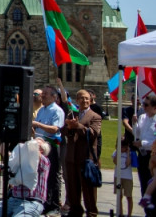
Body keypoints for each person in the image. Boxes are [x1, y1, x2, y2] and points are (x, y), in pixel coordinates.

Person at [0, 138, 51, 217]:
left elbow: (34, 154)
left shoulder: (45, 161)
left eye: (35, 145)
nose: (28, 145)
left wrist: (28, 140)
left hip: (32, 202)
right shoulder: (22, 159)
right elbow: (10, 155)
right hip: (12, 200)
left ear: (42, 150)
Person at [61, 89, 102, 217]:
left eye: (86, 98)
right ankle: (75, 211)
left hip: (86, 158)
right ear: (77, 100)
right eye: (81, 98)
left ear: (90, 100)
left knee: (88, 190)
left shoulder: (95, 116)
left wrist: (77, 126)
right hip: (71, 157)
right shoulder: (72, 114)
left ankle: (92, 213)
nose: (84, 100)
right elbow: (63, 132)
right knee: (72, 188)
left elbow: (93, 133)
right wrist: (69, 127)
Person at [31, 84, 65, 215]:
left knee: (53, 176)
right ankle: (44, 201)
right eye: (42, 94)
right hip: (39, 146)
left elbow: (55, 129)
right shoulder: (41, 110)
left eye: (45, 94)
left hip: (51, 146)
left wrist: (38, 124)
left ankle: (54, 205)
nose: (42, 96)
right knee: (42, 175)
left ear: (53, 97)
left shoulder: (57, 111)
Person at [134, 94, 156, 196]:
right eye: (143, 104)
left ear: (155, 107)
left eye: (146, 105)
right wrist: (134, 124)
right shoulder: (142, 117)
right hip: (142, 155)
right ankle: (145, 201)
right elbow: (137, 134)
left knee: (153, 183)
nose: (144, 107)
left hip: (153, 155)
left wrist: (142, 143)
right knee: (143, 182)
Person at [113, 129, 135, 217]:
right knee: (119, 196)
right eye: (120, 147)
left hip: (127, 177)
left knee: (128, 196)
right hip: (118, 176)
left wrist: (128, 152)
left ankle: (129, 214)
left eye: (123, 147)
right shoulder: (116, 153)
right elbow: (115, 162)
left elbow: (128, 163)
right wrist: (117, 151)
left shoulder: (129, 154)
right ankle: (120, 213)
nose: (122, 149)